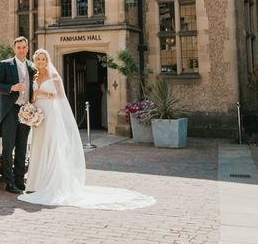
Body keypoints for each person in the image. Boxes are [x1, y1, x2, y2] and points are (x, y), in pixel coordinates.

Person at [18, 49, 155, 210]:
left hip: (51, 114)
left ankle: (52, 183)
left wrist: (44, 93)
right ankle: (37, 182)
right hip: (39, 114)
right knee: (39, 147)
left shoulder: (53, 76)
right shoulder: (35, 77)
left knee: (52, 147)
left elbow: (60, 96)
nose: (41, 61)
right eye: (38, 59)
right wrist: (30, 109)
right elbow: (34, 97)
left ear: (47, 61)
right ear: (35, 61)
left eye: (43, 59)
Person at [0, 36, 35, 194]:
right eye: (19, 48)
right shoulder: (5, 64)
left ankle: (19, 180)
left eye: (24, 47)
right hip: (10, 111)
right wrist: (12, 87)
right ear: (14, 49)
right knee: (8, 148)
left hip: (27, 112)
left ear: (27, 48)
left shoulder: (32, 66)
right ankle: (9, 182)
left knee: (22, 147)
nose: (22, 50)